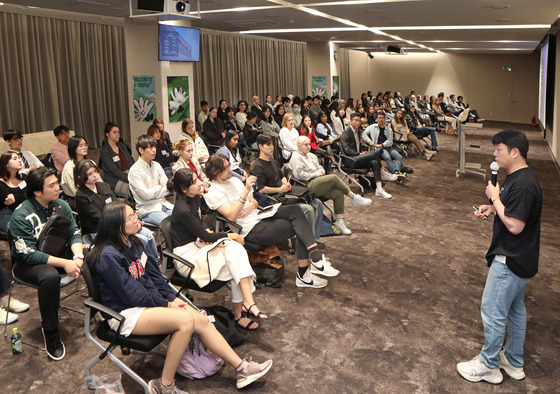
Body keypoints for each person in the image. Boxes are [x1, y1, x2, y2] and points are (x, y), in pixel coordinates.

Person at [87, 201, 272, 393]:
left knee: (199, 318)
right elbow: (131, 294)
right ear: (117, 225)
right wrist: (166, 303)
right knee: (185, 322)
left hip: (147, 305)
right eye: (131, 217)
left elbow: (156, 278)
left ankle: (242, 369)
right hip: (125, 314)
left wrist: (172, 299)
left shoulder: (135, 243)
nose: (137, 219)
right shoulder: (107, 256)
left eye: (135, 214)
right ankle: (164, 386)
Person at [457, 129, 542, 384]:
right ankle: (513, 361)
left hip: (510, 258)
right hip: (520, 257)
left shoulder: (524, 184)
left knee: (493, 310)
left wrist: (494, 197)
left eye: (498, 150)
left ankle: (489, 364)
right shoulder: (516, 177)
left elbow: (515, 225)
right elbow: (511, 210)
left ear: (514, 152)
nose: (494, 155)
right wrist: (492, 207)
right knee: (515, 310)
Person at [204, 154, 339, 288]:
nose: (230, 170)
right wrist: (245, 193)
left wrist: (252, 204)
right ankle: (309, 268)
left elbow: (254, 202)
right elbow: (232, 216)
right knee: (298, 226)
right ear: (216, 172)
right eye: (226, 167)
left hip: (258, 215)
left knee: (297, 210)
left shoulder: (235, 181)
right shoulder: (214, 192)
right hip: (249, 228)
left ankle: (314, 262)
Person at [169, 169, 267, 330]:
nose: (200, 182)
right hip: (187, 259)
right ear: (184, 189)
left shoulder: (194, 198)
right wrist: (231, 236)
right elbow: (205, 236)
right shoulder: (182, 209)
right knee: (235, 253)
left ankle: (246, 304)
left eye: (197, 178)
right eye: (194, 182)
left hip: (199, 247)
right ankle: (242, 309)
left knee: (235, 253)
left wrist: (206, 231)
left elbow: (200, 226)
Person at [10, 167, 84, 360]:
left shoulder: (60, 204)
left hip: (57, 252)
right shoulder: (21, 216)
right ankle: (50, 331)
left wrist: (77, 257)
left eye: (57, 183)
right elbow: (28, 254)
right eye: (52, 185)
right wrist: (65, 263)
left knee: (95, 255)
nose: (58, 187)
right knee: (50, 277)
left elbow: (74, 232)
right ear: (37, 192)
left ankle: (103, 309)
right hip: (28, 263)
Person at [252, 134, 324, 247]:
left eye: (272, 144)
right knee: (308, 209)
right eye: (268, 145)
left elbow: (282, 176)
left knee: (317, 203)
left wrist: (285, 182)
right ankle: (309, 242)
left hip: (284, 194)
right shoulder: (258, 166)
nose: (271, 147)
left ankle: (314, 238)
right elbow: (261, 189)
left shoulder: (273, 161)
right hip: (274, 200)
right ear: (260, 146)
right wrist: (279, 189)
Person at [288, 136, 371, 235]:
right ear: (299, 146)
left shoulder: (311, 155)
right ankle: (354, 197)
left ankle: (339, 221)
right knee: (333, 178)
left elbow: (319, 166)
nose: (309, 146)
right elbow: (300, 175)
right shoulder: (295, 157)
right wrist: (316, 174)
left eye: (309, 144)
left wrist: (321, 170)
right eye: (306, 145)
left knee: (338, 193)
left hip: (316, 181)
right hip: (305, 185)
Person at [74, 159, 159, 255]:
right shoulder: (81, 196)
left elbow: (117, 206)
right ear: (80, 177)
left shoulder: (103, 186)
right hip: (99, 231)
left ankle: (153, 263)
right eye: (89, 174)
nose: (94, 175)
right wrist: (126, 224)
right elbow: (99, 217)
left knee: (149, 234)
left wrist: (132, 220)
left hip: (117, 223)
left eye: (95, 171)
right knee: (142, 238)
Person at [340, 113, 392, 199]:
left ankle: (379, 189)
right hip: (350, 160)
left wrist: (362, 151)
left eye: (359, 121)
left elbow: (358, 145)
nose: (358, 122)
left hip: (358, 159)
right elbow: (346, 150)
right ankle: (383, 172)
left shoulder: (358, 131)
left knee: (374, 162)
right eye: (356, 120)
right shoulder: (346, 133)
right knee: (374, 153)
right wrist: (358, 154)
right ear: (350, 121)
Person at [128, 135, 174, 227]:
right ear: (141, 150)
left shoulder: (156, 165)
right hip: (147, 210)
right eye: (150, 147)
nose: (154, 150)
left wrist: (153, 191)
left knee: (185, 217)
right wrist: (159, 187)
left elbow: (168, 187)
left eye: (154, 147)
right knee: (170, 224)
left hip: (163, 204)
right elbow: (146, 195)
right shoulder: (135, 170)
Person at [99, 122, 135, 198]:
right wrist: (130, 178)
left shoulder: (122, 145)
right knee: (135, 190)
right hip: (114, 180)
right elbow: (114, 171)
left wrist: (136, 174)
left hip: (128, 174)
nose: (117, 134)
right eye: (114, 132)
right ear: (107, 134)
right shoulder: (104, 150)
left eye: (118, 132)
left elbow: (130, 162)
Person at [0, 151, 27, 234]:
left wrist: (16, 197)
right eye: (15, 159)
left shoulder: (24, 177)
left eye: (19, 158)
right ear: (6, 164)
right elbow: (12, 204)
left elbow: (34, 194)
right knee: (18, 228)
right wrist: (25, 196)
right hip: (8, 213)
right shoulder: (1, 183)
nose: (19, 160)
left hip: (27, 208)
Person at [61, 135, 92, 200]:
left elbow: (99, 181)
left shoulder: (90, 162)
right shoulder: (69, 167)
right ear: (73, 148)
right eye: (80, 146)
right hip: (77, 199)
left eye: (85, 145)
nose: (84, 147)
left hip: (92, 193)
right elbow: (75, 191)